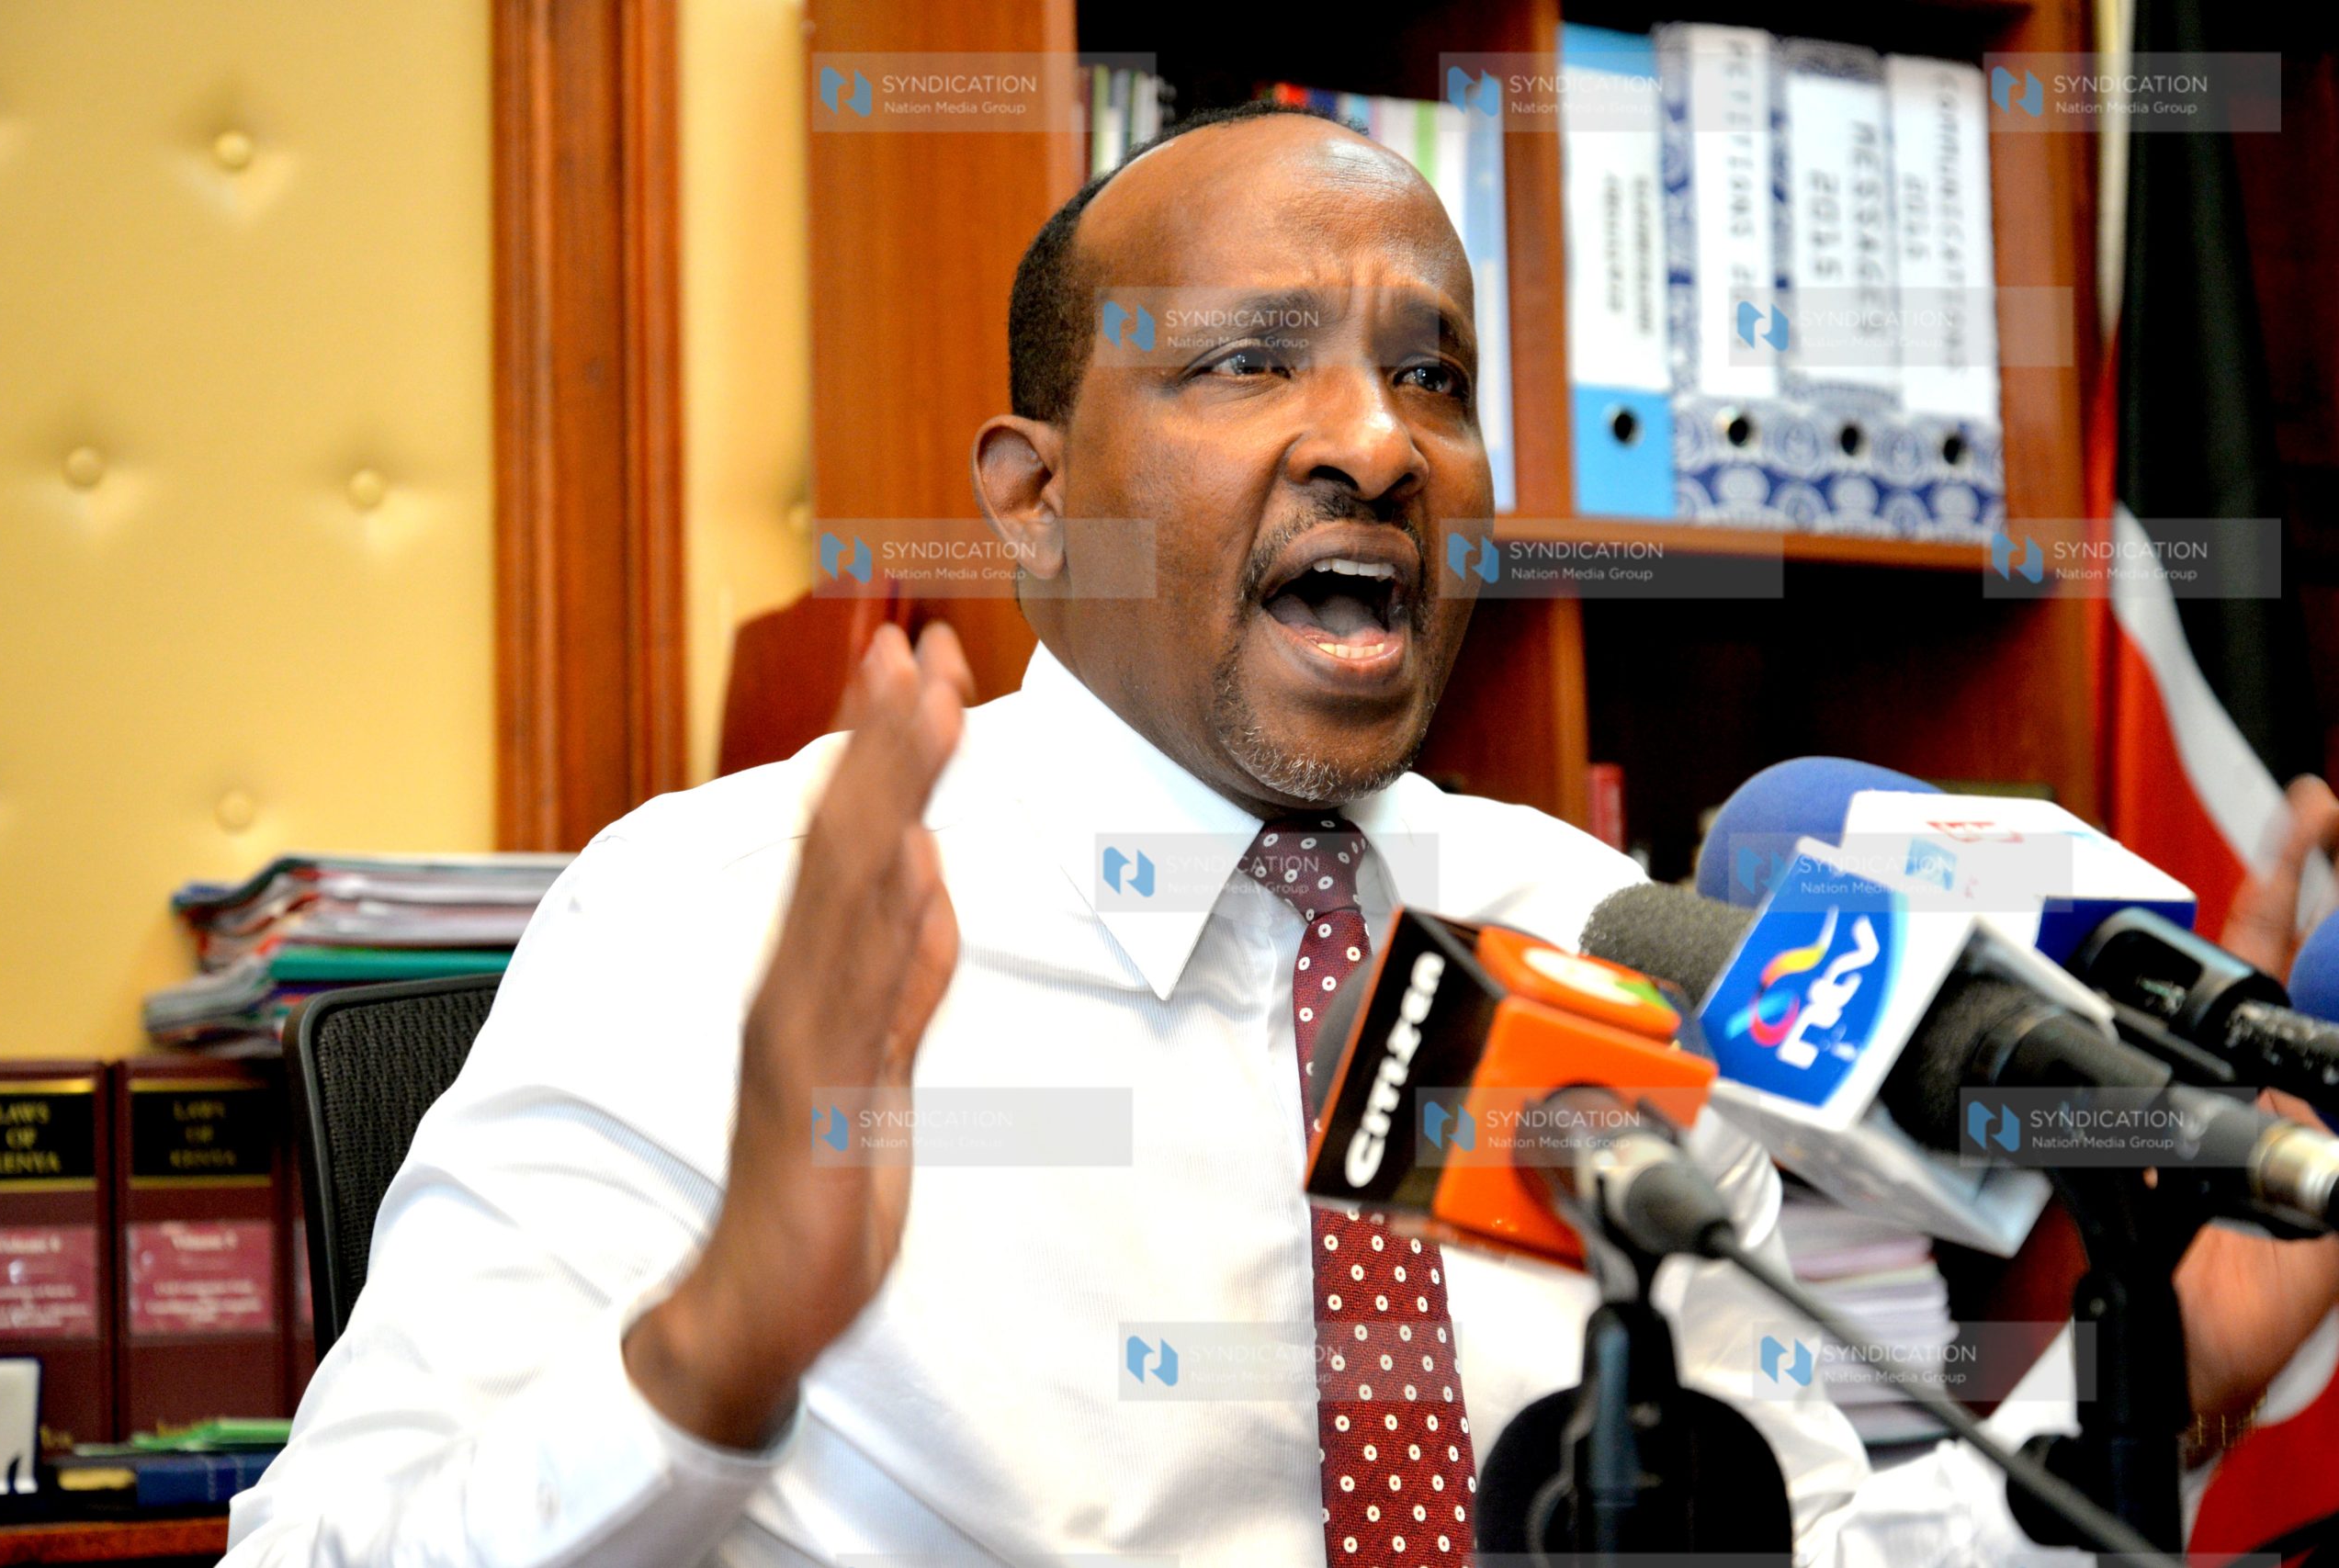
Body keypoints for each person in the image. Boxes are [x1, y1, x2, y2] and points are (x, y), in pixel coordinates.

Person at [220, 103, 2291, 1567]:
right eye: (1245, 362)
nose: (1376, 441)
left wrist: (2152, 1385)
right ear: (1033, 501)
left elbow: (1818, 1541)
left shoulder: (1599, 936)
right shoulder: (718, 920)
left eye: (1431, 375)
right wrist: (716, 1347)